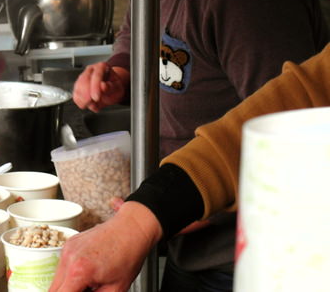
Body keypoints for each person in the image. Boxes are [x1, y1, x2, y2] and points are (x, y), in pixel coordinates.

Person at [49, 0, 330, 290]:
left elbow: (289, 138)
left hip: (239, 252)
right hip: (182, 227)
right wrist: (118, 73)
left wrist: (173, 207)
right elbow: (137, 34)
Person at [49, 42, 330, 292]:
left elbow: (295, 119)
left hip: (233, 255)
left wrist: (146, 217)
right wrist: (145, 216)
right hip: (183, 238)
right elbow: (306, 91)